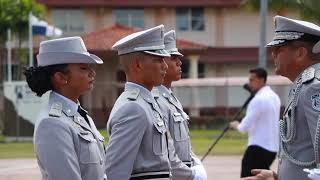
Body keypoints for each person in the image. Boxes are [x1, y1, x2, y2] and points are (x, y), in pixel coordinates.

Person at [105, 25, 199, 180]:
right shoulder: (132, 107)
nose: (165, 65)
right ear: (137, 65)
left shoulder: (147, 103)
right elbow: (115, 173)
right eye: (158, 59)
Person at [242, 16, 320, 180]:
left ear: (300, 53)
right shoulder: (302, 85)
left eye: (279, 49)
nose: (273, 54)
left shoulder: (314, 87)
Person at [24, 36, 107, 180]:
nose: (92, 73)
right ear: (60, 78)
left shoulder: (80, 115)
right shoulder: (52, 123)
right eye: (83, 68)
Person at [152, 30, 207, 180]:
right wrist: (190, 175)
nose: (179, 62)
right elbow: (165, 151)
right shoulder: (155, 100)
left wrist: (196, 164)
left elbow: (184, 144)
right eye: (173, 57)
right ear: (161, 62)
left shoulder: (171, 98)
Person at [229, 67, 280, 178]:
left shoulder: (258, 99)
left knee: (248, 177)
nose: (249, 83)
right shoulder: (275, 97)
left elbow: (244, 126)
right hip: (272, 149)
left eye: (252, 80)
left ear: (261, 80)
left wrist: (236, 124)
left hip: (257, 148)